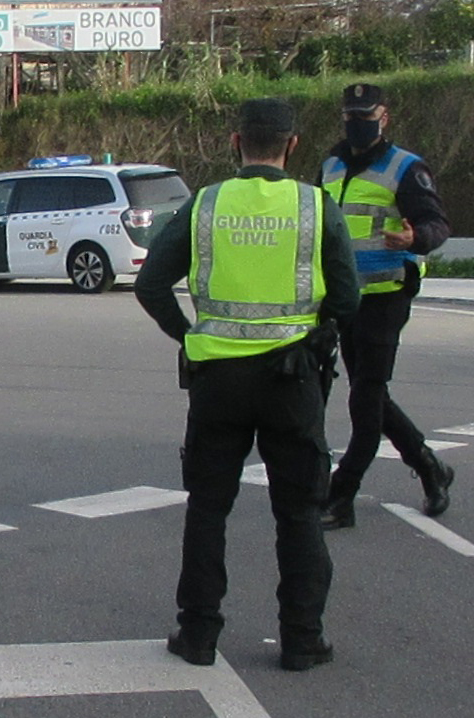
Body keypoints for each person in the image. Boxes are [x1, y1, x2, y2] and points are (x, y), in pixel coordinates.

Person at [135, 98, 359, 672]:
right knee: (300, 513)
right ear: (293, 144)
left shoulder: (205, 204)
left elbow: (151, 284)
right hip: (292, 380)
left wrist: (189, 337)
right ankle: (302, 639)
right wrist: (313, 337)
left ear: (235, 143)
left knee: (208, 509)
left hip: (218, 380)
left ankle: (199, 635)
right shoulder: (316, 205)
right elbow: (348, 298)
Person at [320, 82, 455, 529]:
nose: (358, 123)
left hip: (386, 296)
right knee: (371, 395)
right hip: (345, 300)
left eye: (367, 115)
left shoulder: (405, 167)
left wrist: (416, 238)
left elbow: (437, 223)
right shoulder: (332, 165)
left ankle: (342, 496)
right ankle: (429, 465)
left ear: (385, 117)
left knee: (365, 402)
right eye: (351, 116)